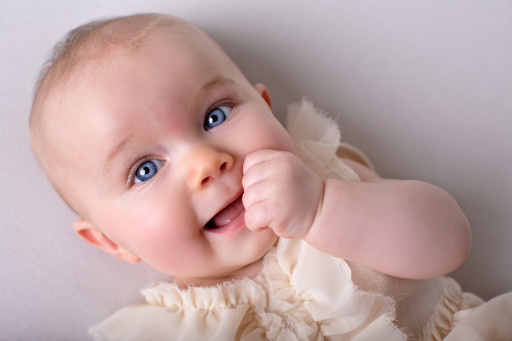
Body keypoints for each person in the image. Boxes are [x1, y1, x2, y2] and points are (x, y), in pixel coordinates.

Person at [29, 13, 512, 340]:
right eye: (146, 169)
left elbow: (449, 240)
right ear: (110, 241)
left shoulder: (328, 177)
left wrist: (323, 207)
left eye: (215, 116)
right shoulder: (166, 330)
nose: (206, 163)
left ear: (266, 108)